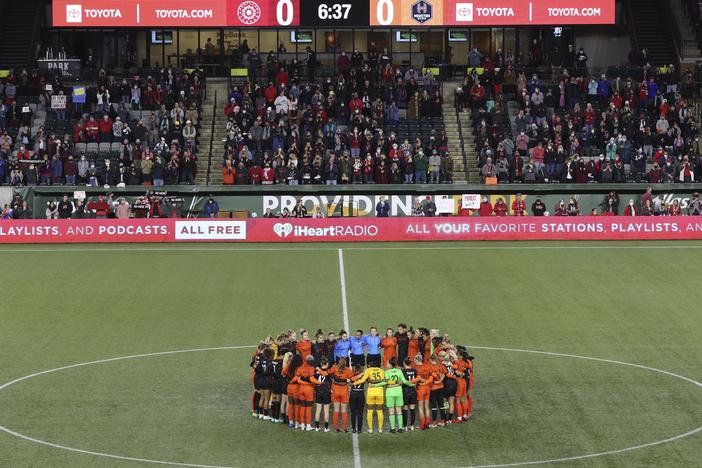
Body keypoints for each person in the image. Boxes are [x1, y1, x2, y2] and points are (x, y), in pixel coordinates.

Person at [352, 363, 387, 433]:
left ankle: (370, 429)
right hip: (380, 392)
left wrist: (353, 384)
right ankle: (380, 429)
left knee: (369, 411)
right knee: (380, 411)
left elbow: (362, 380)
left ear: (370, 366)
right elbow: (385, 381)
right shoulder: (382, 371)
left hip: (371, 392)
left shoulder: (368, 370)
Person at [384, 357, 416, 433]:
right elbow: (405, 381)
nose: (386, 364)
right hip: (399, 393)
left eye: (388, 363)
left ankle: (392, 428)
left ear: (390, 364)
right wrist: (411, 385)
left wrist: (391, 385)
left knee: (391, 411)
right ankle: (400, 428)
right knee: (399, 411)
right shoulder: (399, 371)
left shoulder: (387, 372)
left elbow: (387, 382)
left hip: (390, 393)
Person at [329, 358, 353, 432]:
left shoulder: (334, 368)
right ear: (345, 363)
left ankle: (336, 428)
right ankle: (344, 428)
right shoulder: (348, 370)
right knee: (344, 411)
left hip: (335, 391)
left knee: (336, 411)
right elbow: (351, 381)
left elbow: (328, 374)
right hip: (344, 392)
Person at [348, 365, 366, 433]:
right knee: (360, 413)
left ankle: (353, 428)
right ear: (360, 370)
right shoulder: (363, 376)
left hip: (353, 394)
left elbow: (351, 381)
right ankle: (359, 429)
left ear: (355, 370)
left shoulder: (352, 376)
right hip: (360, 394)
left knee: (353, 413)